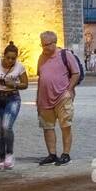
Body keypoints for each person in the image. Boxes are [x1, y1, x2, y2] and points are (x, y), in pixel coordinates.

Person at [35, 30, 82, 166]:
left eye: (46, 45)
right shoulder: (41, 57)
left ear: (54, 43)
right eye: (42, 45)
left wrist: (69, 90)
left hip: (62, 97)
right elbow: (40, 79)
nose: (43, 47)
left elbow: (76, 73)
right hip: (45, 99)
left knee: (65, 125)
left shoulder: (65, 55)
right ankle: (52, 154)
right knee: (47, 127)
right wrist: (38, 99)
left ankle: (66, 154)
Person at [0, 42, 28, 170]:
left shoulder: (20, 67)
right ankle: (1, 158)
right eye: (8, 57)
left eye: (13, 58)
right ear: (4, 55)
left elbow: (25, 84)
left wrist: (13, 84)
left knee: (6, 126)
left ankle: (10, 154)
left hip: (13, 98)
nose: (10, 60)